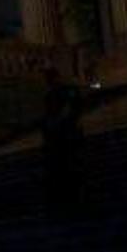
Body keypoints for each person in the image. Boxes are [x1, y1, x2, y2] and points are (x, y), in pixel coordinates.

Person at [41, 67, 85, 217]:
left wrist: (58, 121)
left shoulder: (63, 91)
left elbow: (70, 108)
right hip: (60, 136)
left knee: (67, 166)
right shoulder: (52, 94)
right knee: (64, 167)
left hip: (65, 134)